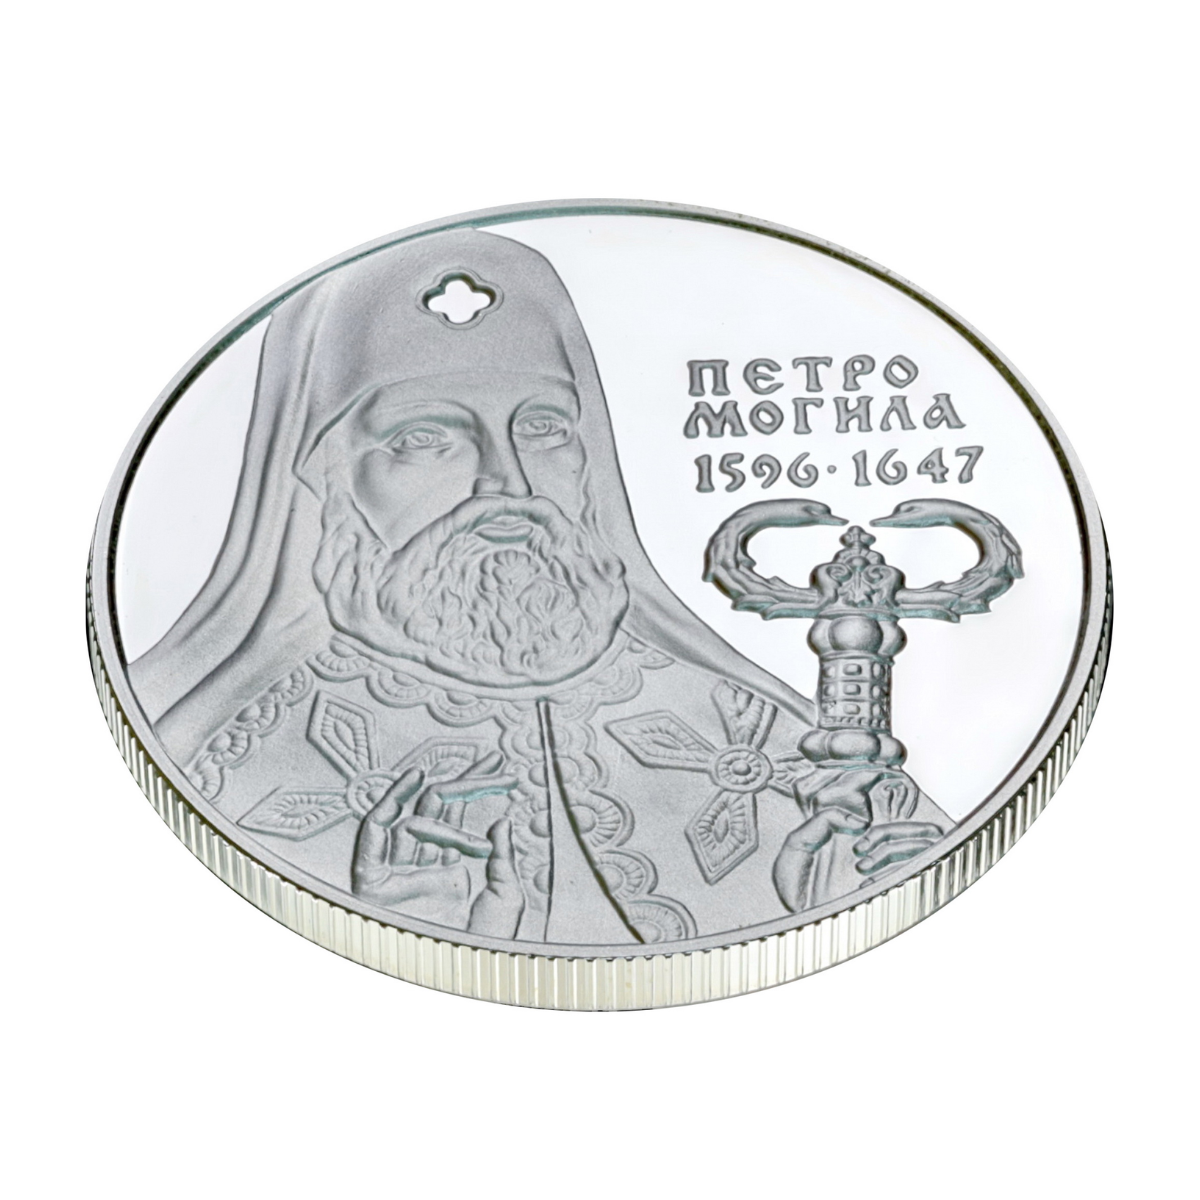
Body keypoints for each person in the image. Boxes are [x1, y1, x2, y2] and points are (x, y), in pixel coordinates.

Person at [129, 229, 950, 946]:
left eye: (544, 427)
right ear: (328, 479)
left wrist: (871, 895)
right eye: (426, 438)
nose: (508, 481)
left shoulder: (756, 732)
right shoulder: (219, 756)